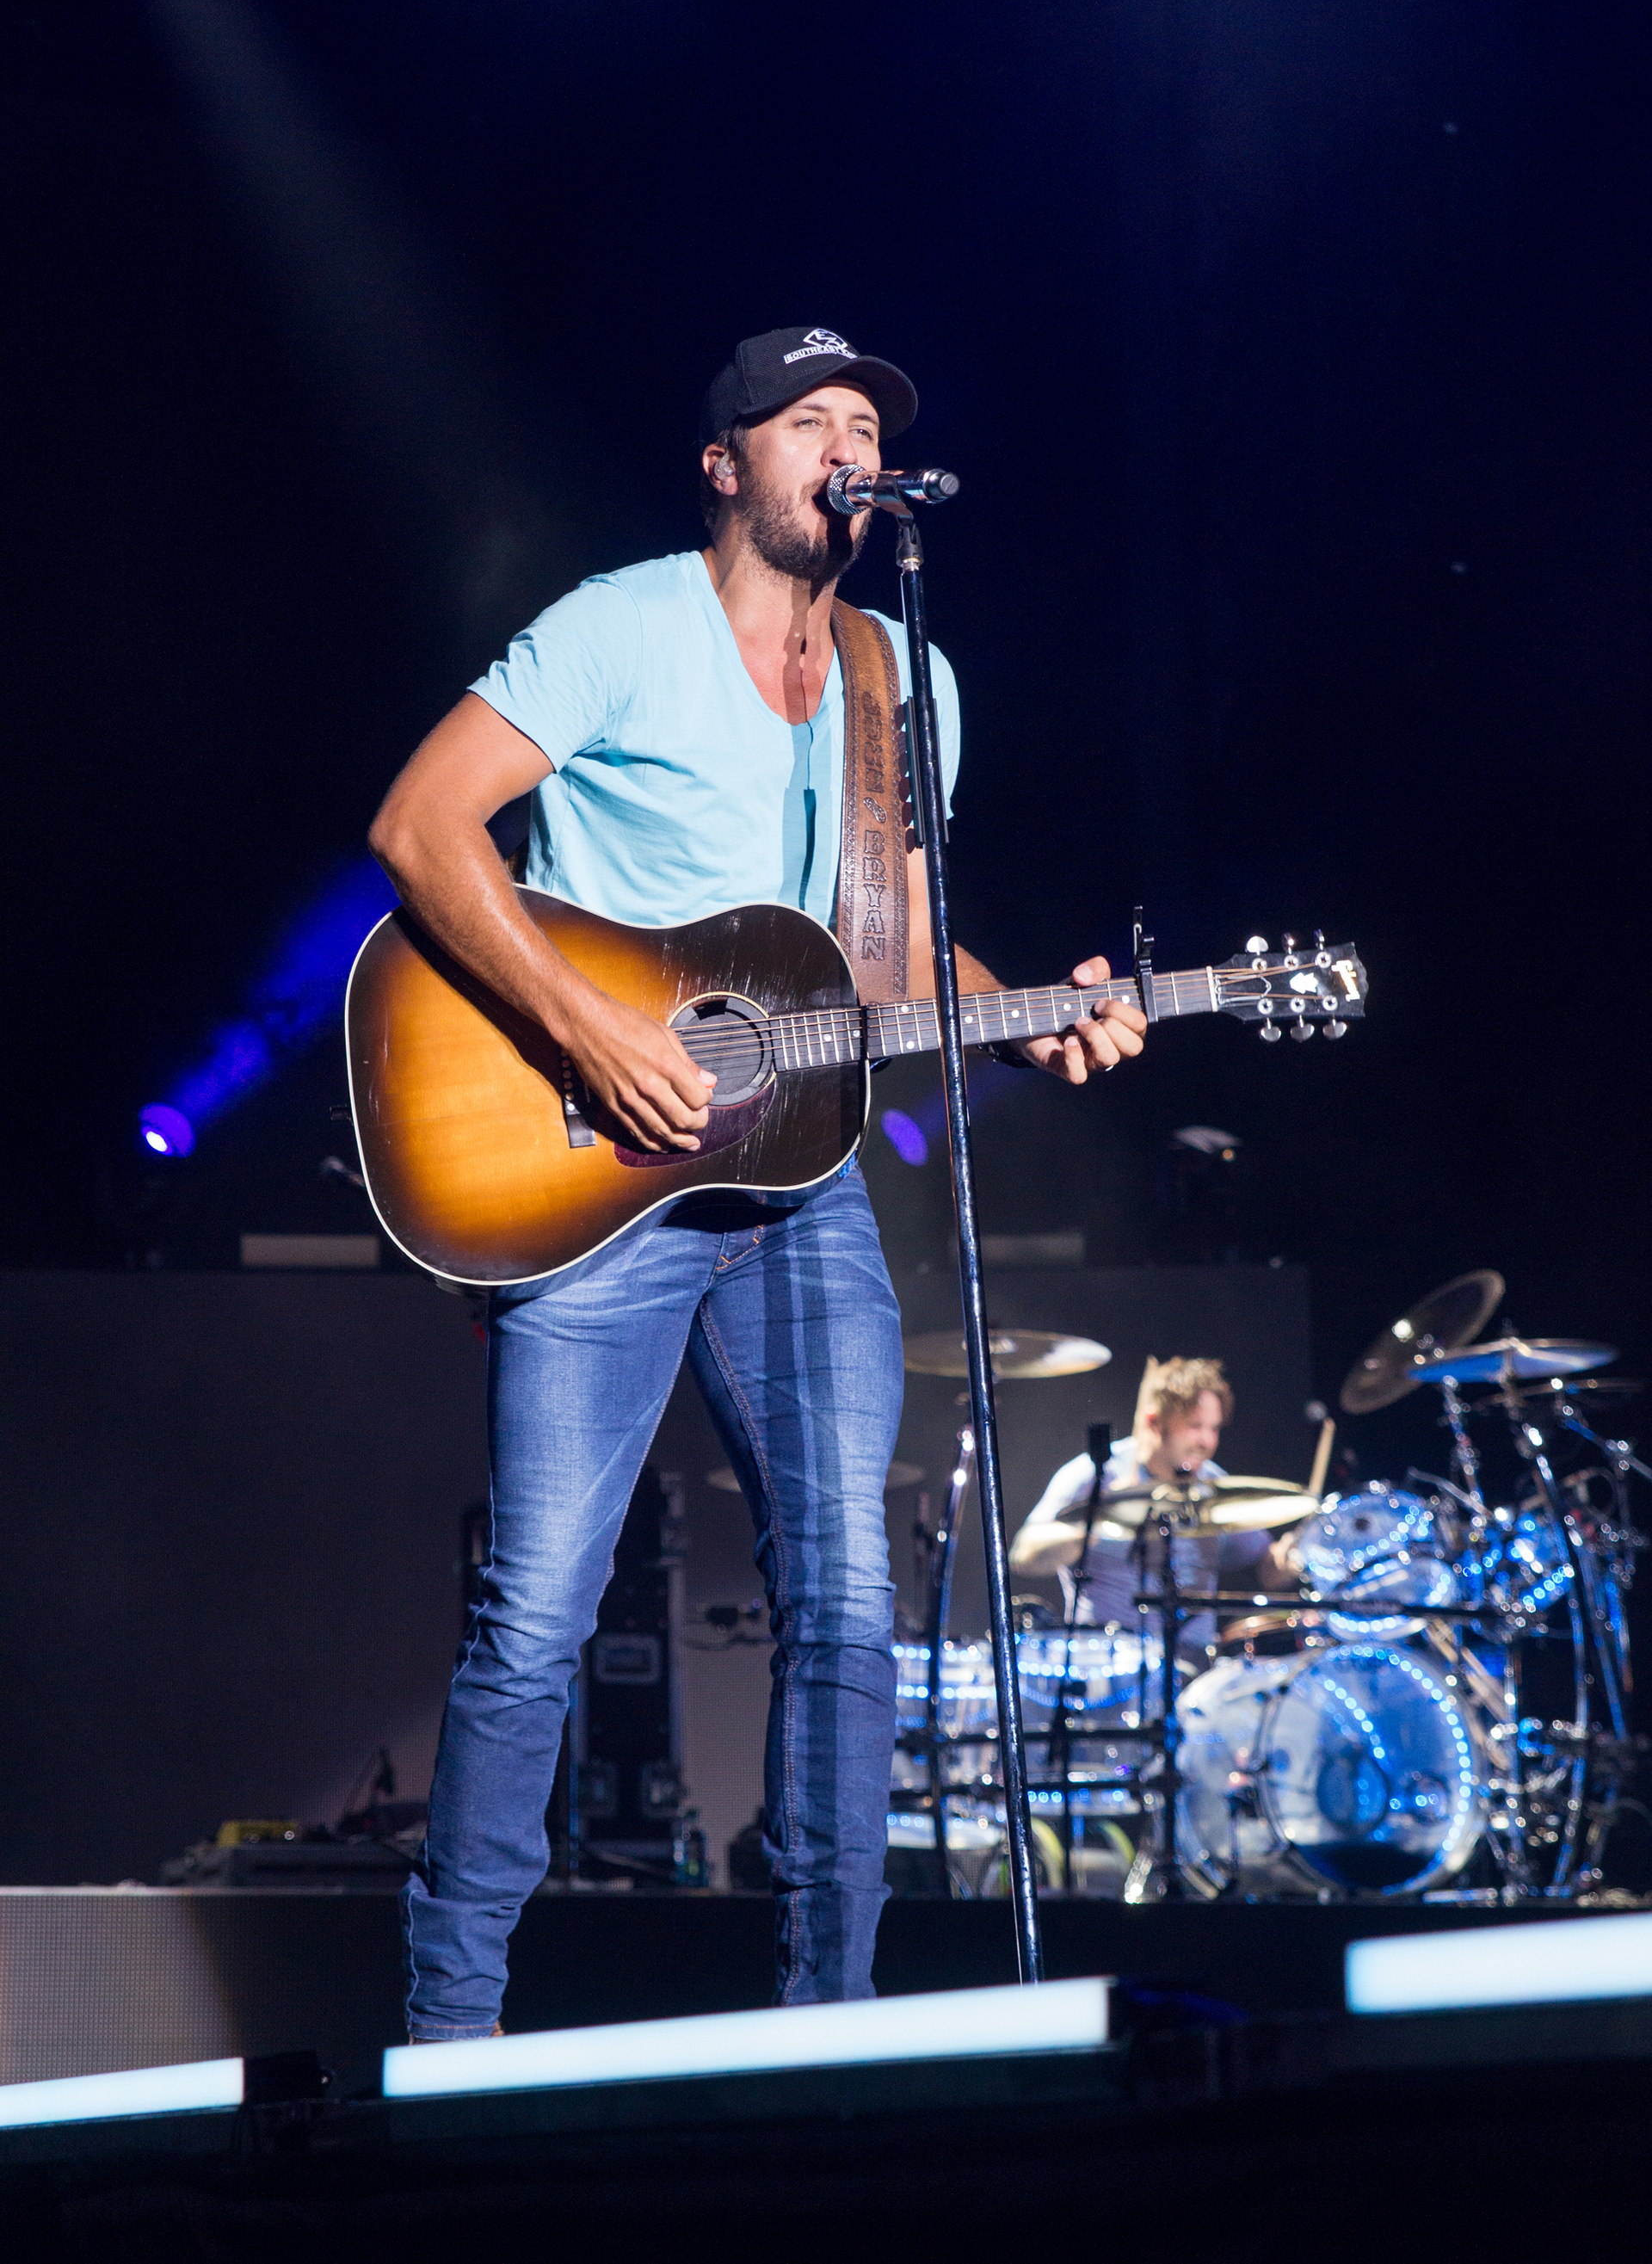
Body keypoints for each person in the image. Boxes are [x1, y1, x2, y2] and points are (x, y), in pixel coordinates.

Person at [367, 325, 1149, 2039]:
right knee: (537, 1610)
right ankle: (446, 2039)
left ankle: (827, 2027)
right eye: (813, 418)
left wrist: (1034, 1013)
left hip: (801, 1183)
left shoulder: (904, 677)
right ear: (728, 462)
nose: (847, 441)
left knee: (849, 1602)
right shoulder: (618, 627)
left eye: (866, 420)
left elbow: (894, 949)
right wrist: (590, 1025)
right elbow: (422, 825)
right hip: (590, 1174)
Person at [1008, 1355, 1298, 1660]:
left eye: (1213, 1429)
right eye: (1194, 1426)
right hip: (1108, 1662)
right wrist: (1101, 1520)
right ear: (1153, 1422)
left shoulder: (1212, 1485)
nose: (1207, 1441)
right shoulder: (1095, 1475)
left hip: (1195, 1665)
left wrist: (1297, 1552)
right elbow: (1024, 1556)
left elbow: (1269, 1570)